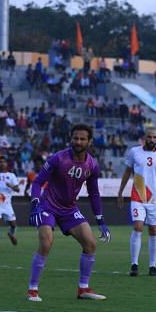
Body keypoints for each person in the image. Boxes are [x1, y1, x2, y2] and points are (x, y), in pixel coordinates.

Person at [26, 124, 111, 302]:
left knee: (90, 243)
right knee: (46, 243)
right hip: (47, 206)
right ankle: (32, 290)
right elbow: (37, 182)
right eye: (75, 138)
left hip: (69, 209)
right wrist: (35, 204)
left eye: (82, 139)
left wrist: (100, 220)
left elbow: (94, 193)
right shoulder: (58, 158)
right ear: (71, 139)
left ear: (90, 141)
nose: (78, 142)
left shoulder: (92, 165)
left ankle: (83, 289)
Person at [118, 127, 156, 276]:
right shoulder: (134, 152)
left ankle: (152, 266)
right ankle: (134, 265)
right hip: (138, 195)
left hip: (155, 198)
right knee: (138, 226)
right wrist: (120, 192)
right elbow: (127, 172)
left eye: (154, 137)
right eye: (149, 137)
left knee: (153, 230)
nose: (152, 140)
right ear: (144, 138)